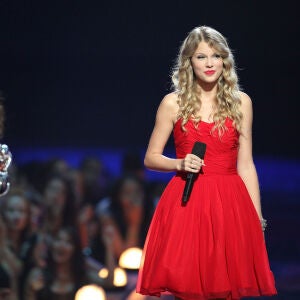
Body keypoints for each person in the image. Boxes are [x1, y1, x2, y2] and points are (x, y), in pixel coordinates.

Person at [136, 26, 277, 300]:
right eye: (201, 57)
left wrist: (256, 216)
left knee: (226, 288)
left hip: (230, 205)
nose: (210, 63)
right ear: (189, 62)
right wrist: (179, 163)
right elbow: (150, 158)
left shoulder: (241, 103)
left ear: (225, 60)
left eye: (215, 55)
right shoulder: (172, 103)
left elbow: (245, 163)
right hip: (188, 206)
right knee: (189, 288)